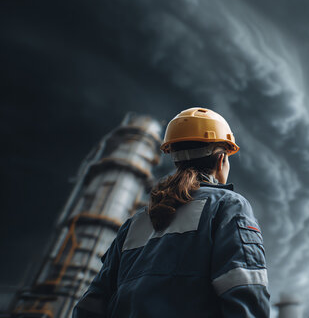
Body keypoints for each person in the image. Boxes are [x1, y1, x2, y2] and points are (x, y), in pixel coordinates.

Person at [73, 107, 270, 317]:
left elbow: (91, 304)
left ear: (176, 160)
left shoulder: (136, 222)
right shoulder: (228, 206)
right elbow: (245, 291)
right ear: (221, 159)